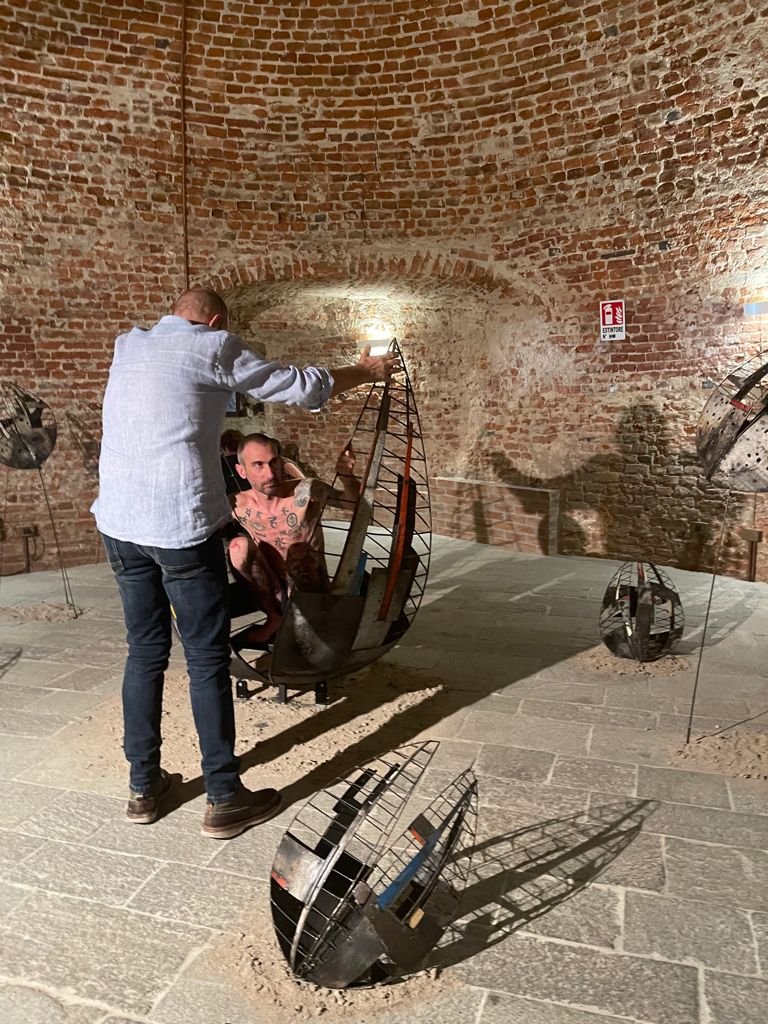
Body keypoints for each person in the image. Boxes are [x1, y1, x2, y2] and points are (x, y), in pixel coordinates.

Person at [91, 287, 398, 839]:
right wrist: (365, 370)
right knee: (207, 658)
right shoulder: (213, 344)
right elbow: (302, 386)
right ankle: (224, 796)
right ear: (214, 321)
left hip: (119, 525)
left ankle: (143, 788)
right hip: (178, 528)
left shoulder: (128, 344)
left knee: (145, 651)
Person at [228, 433, 360, 644]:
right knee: (238, 546)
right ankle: (274, 617)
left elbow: (352, 505)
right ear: (242, 471)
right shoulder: (237, 504)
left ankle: (312, 621)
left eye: (273, 462)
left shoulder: (305, 490)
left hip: (310, 587)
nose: (270, 473)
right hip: (272, 588)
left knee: (298, 550)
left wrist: (347, 477)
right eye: (258, 465)